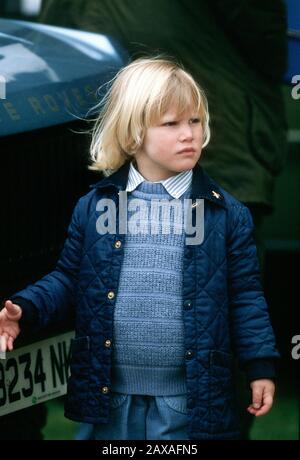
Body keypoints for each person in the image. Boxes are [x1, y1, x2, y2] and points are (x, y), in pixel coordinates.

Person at [0, 57, 279, 440]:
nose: (189, 134)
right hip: (110, 397)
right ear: (133, 135)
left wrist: (260, 366)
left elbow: (246, 297)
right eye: (171, 124)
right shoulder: (96, 207)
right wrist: (25, 307)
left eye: (195, 121)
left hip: (187, 399)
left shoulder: (225, 215)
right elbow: (69, 277)